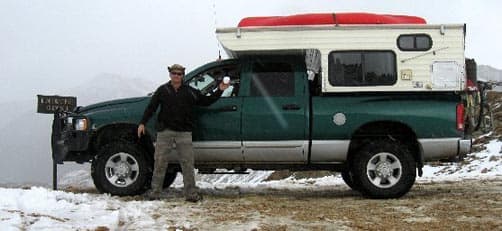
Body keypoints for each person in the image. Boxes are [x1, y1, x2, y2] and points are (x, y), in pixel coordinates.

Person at [138, 64, 229, 202]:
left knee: (187, 164)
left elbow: (206, 101)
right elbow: (151, 107)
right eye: (174, 73)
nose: (176, 76)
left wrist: (220, 90)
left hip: (184, 133)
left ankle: (191, 193)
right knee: (160, 162)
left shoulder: (190, 91)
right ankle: (155, 192)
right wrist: (142, 123)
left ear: (183, 75)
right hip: (165, 132)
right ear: (170, 74)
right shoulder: (162, 90)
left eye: (179, 74)